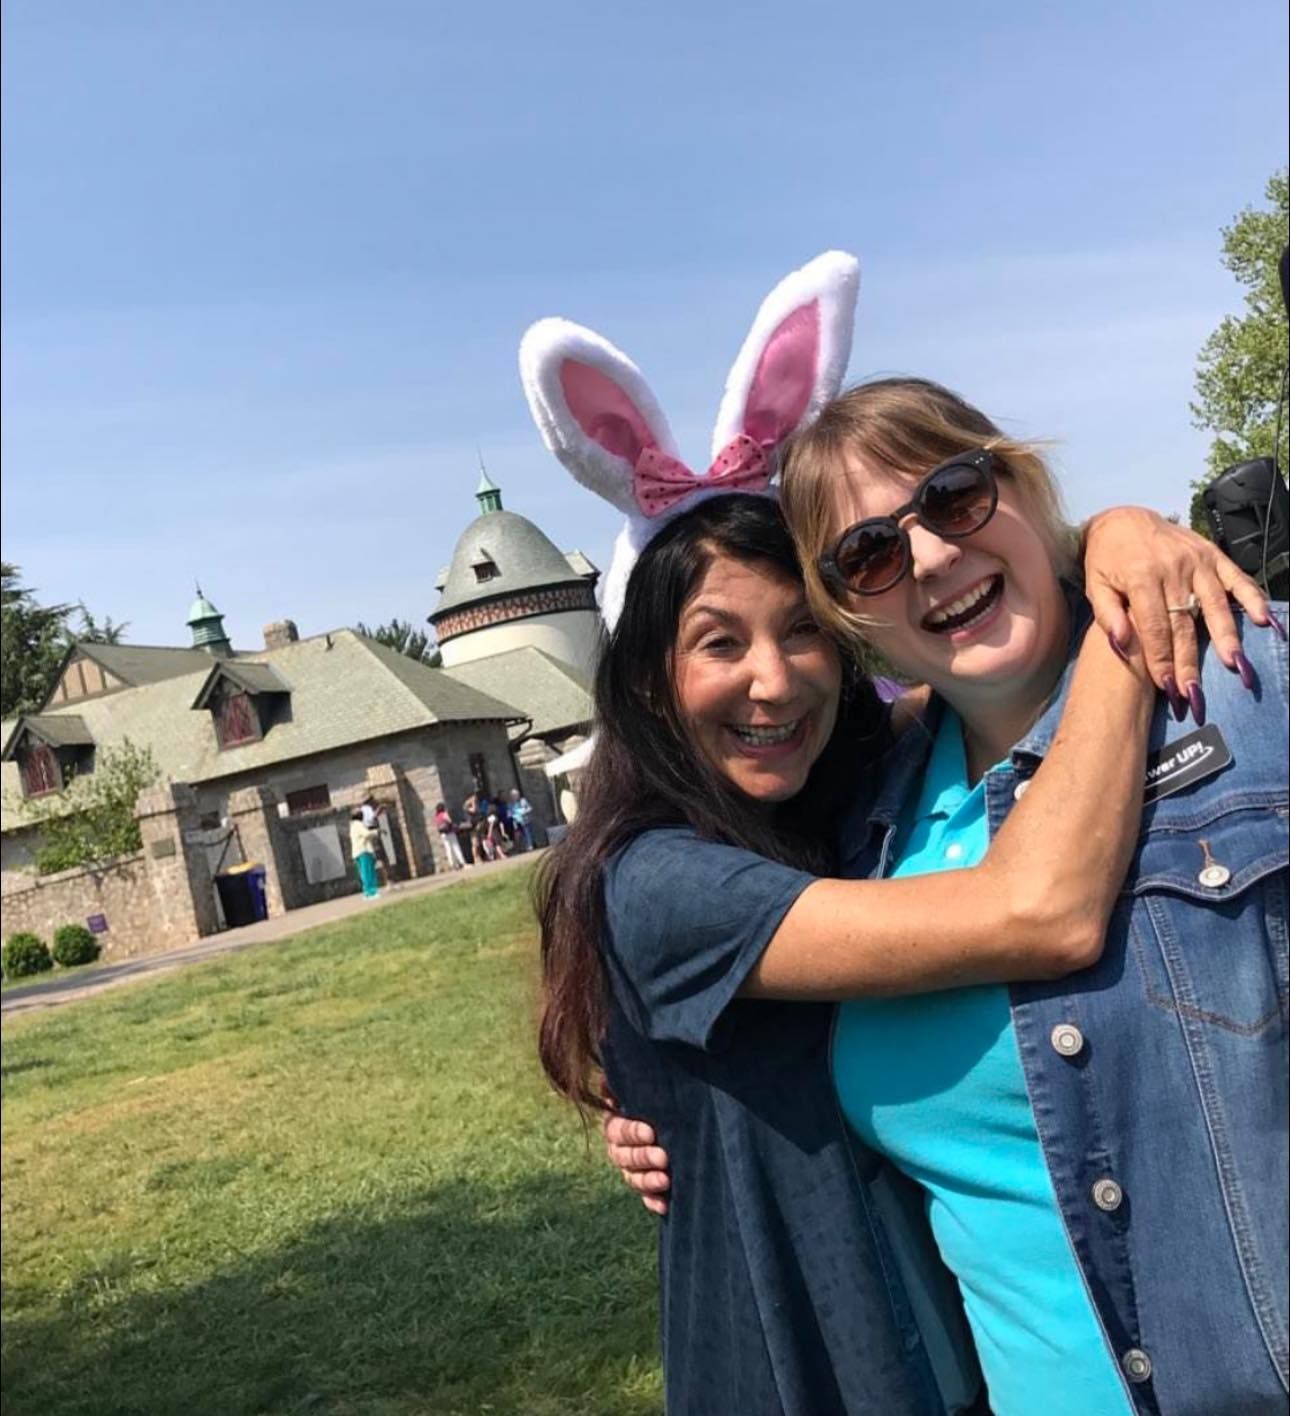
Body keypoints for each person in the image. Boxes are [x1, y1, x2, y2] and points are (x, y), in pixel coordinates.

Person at [521, 253, 1285, 1414]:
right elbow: (1038, 910)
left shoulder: (886, 788)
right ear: (642, 684)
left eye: (958, 496)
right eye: (870, 554)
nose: (772, 682)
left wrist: (1120, 538)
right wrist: (1114, 632)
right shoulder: (679, 878)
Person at [348, 807, 380, 900]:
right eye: (360, 812)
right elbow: (366, 834)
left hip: (358, 852)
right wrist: (376, 831)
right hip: (364, 851)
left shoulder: (353, 825)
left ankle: (367, 892)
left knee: (364, 873)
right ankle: (371, 892)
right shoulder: (358, 824)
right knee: (368, 872)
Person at [434, 801, 468, 870]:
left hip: (443, 835)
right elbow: (449, 821)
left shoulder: (436, 816)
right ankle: (462, 862)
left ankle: (452, 865)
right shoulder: (444, 814)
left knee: (448, 849)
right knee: (456, 847)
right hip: (449, 832)